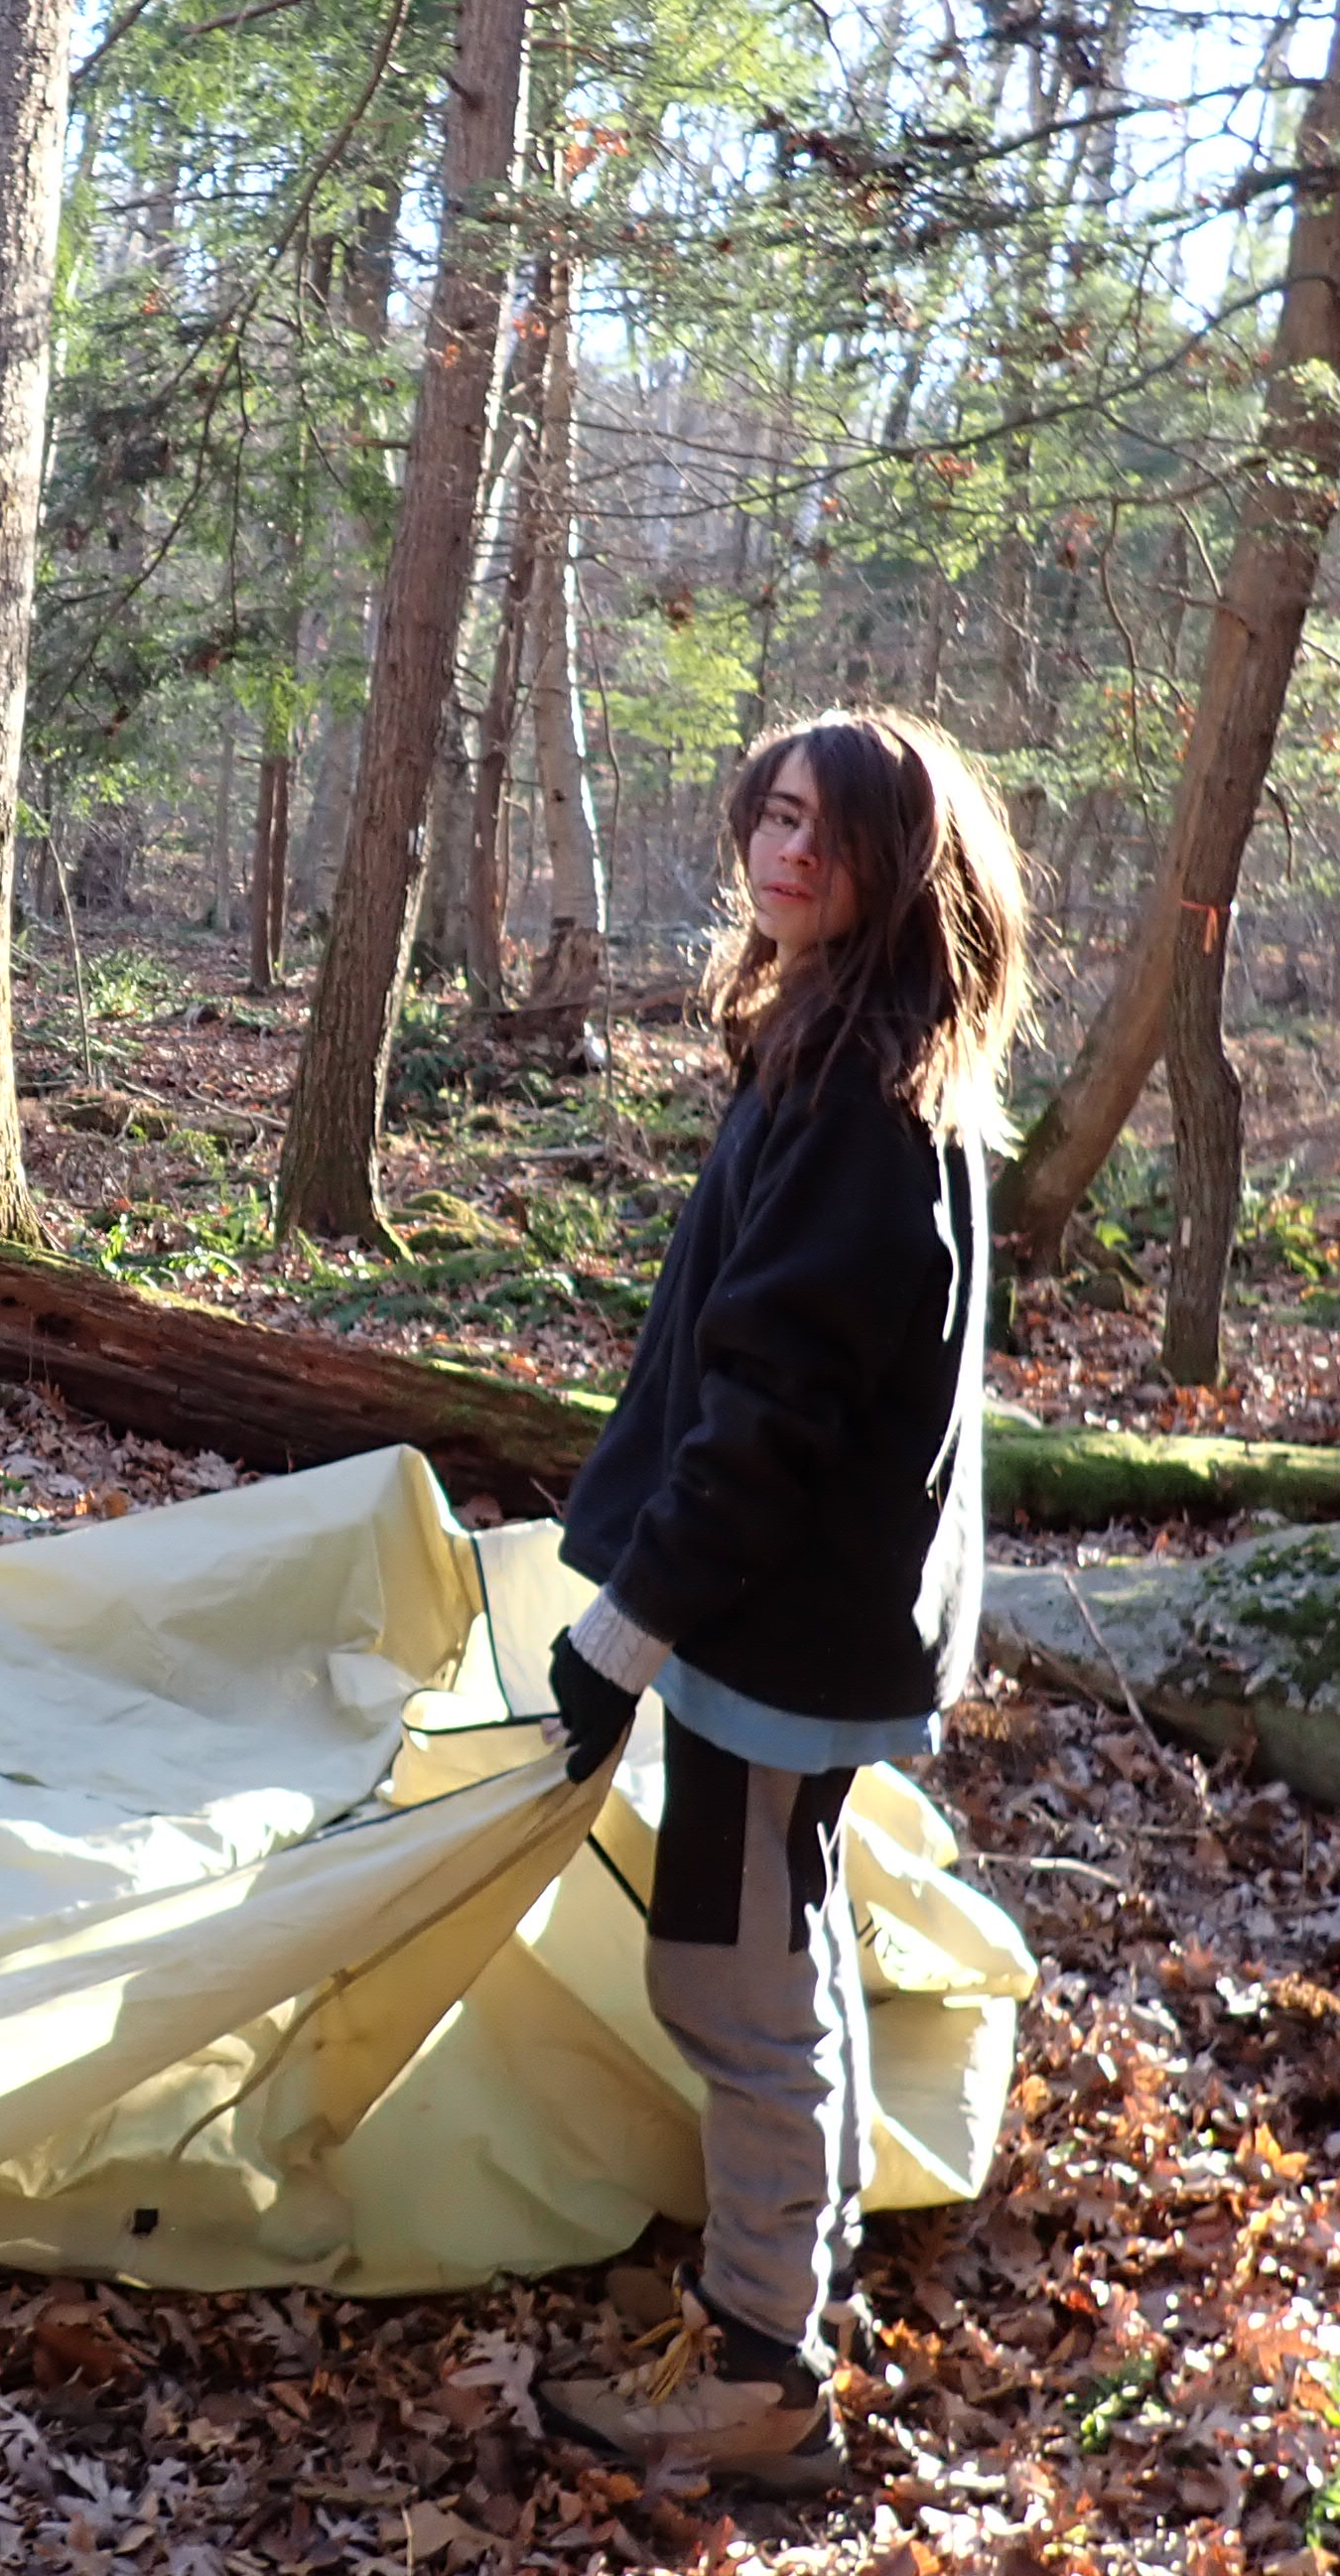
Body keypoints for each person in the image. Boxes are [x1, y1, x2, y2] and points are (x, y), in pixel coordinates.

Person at [530, 709, 1028, 2490]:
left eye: (834, 832)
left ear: (903, 871)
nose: (790, 851)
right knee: (776, 1945)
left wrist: (624, 1632)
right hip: (794, 1621)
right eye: (778, 815)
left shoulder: (858, 1105)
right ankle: (787, 2295)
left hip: (777, 1631)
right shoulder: (850, 1056)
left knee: (731, 1980)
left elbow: (769, 1419)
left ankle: (759, 2370)